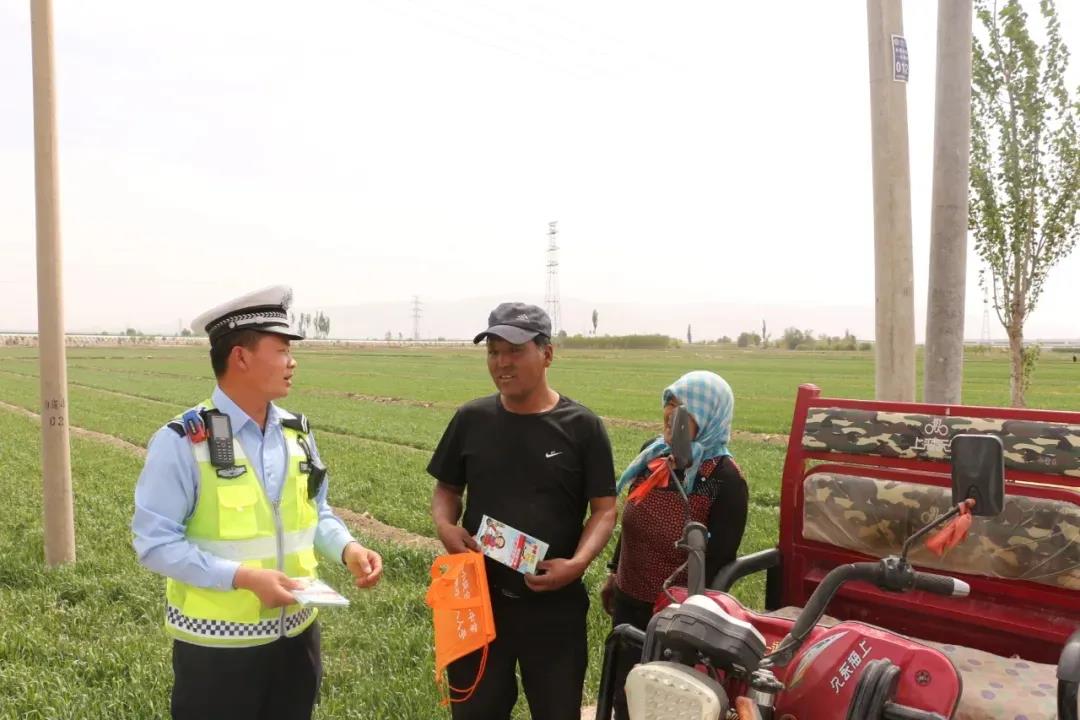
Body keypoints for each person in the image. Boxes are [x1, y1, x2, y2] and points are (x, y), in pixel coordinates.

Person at [131, 286, 383, 720]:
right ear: (241, 358)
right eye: (282, 350)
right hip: (219, 652)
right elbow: (154, 543)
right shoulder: (185, 441)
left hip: (297, 641)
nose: (292, 362)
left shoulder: (297, 434)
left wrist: (348, 548)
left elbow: (315, 512)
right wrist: (243, 578)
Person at [428, 302, 617, 720]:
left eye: (514, 350)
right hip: (477, 598)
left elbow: (604, 510)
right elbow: (447, 489)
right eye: (493, 352)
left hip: (553, 607)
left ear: (547, 354)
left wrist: (577, 564)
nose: (501, 363)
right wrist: (445, 524)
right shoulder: (471, 419)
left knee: (556, 711)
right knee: (475, 712)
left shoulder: (582, 427)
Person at [600, 370, 748, 720]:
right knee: (624, 694)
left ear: (709, 416)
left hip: (677, 618)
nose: (670, 413)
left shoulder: (722, 479)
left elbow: (718, 564)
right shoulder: (653, 457)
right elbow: (634, 517)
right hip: (629, 599)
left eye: (683, 407)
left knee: (663, 704)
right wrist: (613, 572)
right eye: (669, 402)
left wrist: (689, 621)